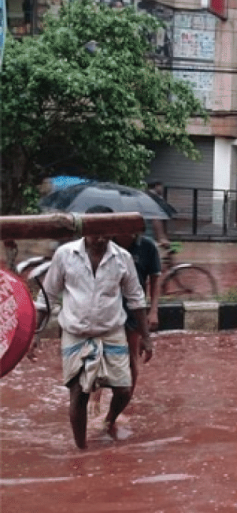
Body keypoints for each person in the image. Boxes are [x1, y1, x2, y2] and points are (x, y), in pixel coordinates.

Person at [35, 207, 153, 449]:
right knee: (79, 393)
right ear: (85, 230)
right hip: (75, 333)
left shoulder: (123, 258)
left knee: (123, 389)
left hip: (111, 332)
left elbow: (136, 299)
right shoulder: (65, 254)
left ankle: (109, 421)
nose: (100, 238)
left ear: (114, 232)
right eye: (95, 232)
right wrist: (35, 334)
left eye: (106, 233)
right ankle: (81, 449)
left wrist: (146, 337)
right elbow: (47, 296)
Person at [114, 231, 162, 396]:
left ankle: (127, 400)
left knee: (131, 356)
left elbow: (155, 281)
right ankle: (95, 402)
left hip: (134, 309)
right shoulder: (106, 245)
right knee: (99, 356)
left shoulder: (147, 246)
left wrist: (153, 311)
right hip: (107, 308)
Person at [145, 181, 171, 251]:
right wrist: (162, 238)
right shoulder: (154, 201)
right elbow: (156, 220)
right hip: (149, 239)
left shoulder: (143, 198)